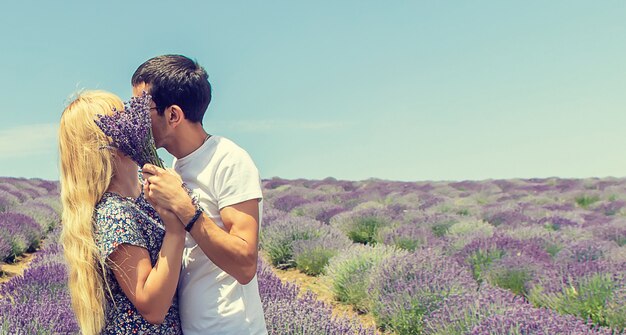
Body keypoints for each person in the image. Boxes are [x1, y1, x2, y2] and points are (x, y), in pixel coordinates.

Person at [132, 54, 268, 334]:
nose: (133, 119)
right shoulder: (173, 167)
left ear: (173, 115)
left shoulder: (228, 160)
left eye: (140, 108)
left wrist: (186, 209)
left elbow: (244, 264)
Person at [58, 90, 185, 335]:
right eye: (120, 120)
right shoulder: (115, 213)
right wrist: (176, 232)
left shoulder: (142, 186)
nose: (134, 123)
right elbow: (152, 307)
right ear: (102, 141)